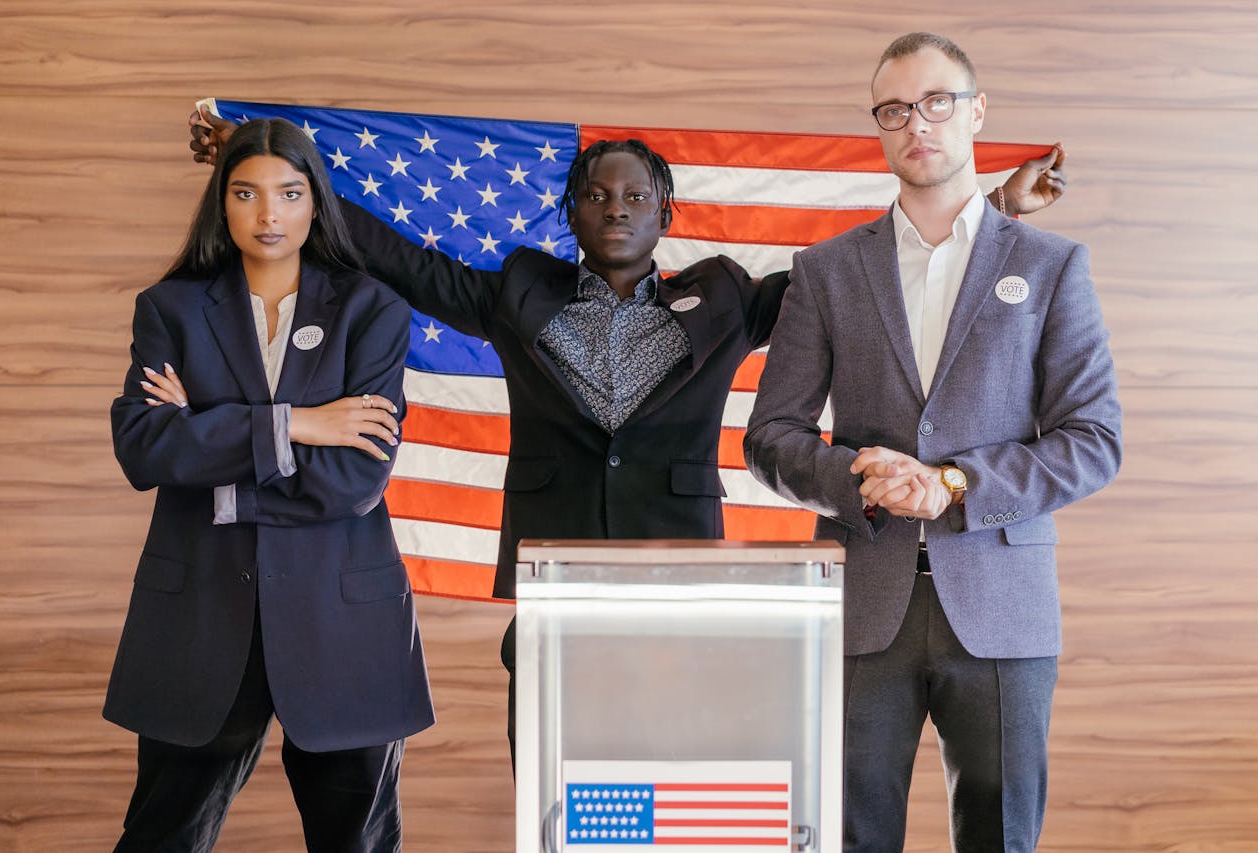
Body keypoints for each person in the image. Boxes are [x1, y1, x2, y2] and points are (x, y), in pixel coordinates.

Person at [189, 109, 1066, 765]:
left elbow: (864, 266)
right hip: (551, 575)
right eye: (598, 195)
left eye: (636, 195)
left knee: (671, 779)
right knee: (554, 775)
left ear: (666, 213)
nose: (617, 208)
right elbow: (403, 262)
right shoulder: (518, 292)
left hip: (679, 578)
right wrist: (282, 176)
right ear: (571, 212)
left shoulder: (723, 298)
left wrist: (993, 206)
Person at [743, 32, 1121, 852]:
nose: (918, 123)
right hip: (860, 606)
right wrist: (862, 478)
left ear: (976, 111)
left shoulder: (1052, 266)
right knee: (846, 835)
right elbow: (769, 436)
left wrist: (952, 483)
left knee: (1001, 836)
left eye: (937, 101)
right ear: (879, 128)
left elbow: (1094, 440)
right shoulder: (827, 271)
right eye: (895, 109)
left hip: (1002, 605)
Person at [106, 117, 434, 852]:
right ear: (221, 203)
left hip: (342, 614)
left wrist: (212, 445)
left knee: (358, 841)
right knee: (162, 836)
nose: (268, 213)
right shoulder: (172, 308)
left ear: (315, 201)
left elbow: (357, 477)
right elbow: (144, 448)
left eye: (289, 193)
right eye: (246, 192)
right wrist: (298, 424)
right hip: (199, 609)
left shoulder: (371, 310)